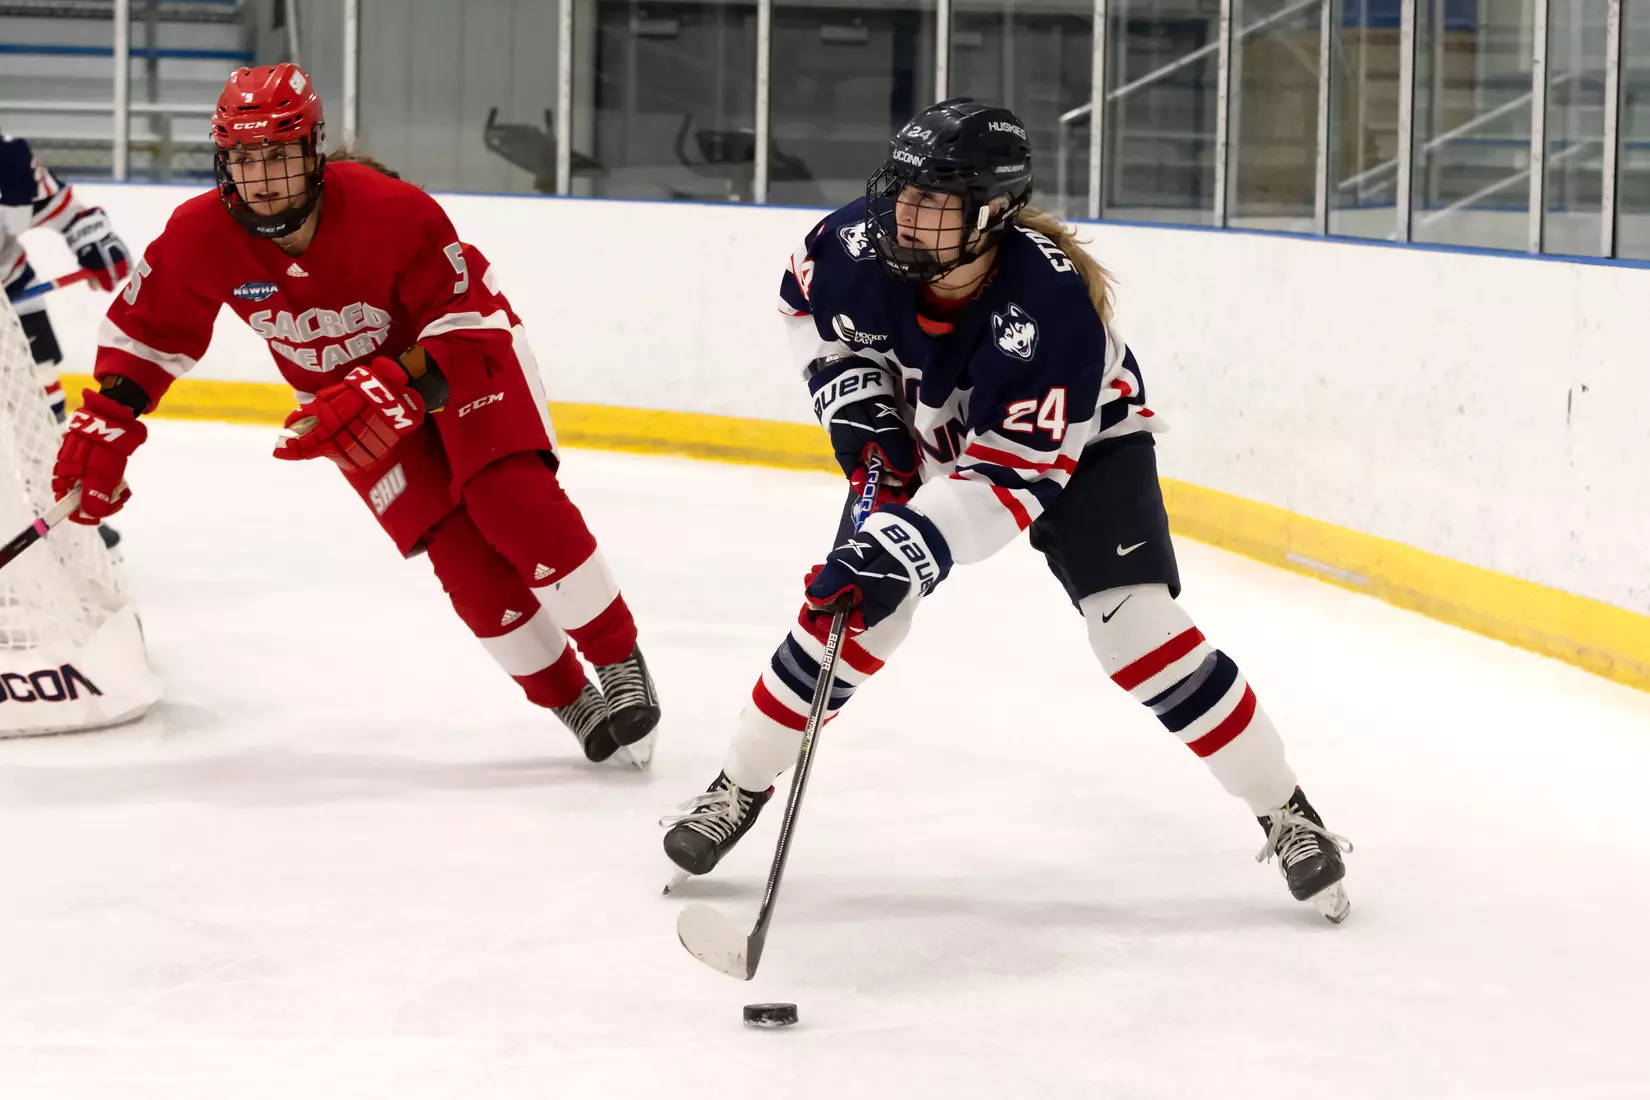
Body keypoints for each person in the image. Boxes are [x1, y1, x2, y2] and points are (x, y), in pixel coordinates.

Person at [662, 98, 1352, 920]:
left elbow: (1008, 482)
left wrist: (904, 544)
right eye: (903, 190)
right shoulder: (848, 247)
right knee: (850, 612)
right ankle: (736, 786)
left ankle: (1286, 810)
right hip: (927, 434)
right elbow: (811, 315)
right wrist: (862, 418)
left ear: (992, 213)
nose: (905, 213)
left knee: (1137, 632)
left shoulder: (1053, 312)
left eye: (934, 200)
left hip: (1080, 446)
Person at [48, 64, 660, 766]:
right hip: (346, 407)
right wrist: (106, 421)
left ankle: (617, 660)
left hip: (456, 365)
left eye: (278, 155)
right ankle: (572, 702)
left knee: (505, 496)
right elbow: (147, 332)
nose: (262, 178)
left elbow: (467, 324)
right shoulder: (198, 234)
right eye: (245, 158)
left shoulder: (393, 211)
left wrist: (394, 379)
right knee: (459, 555)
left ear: (312, 151)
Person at [2, 128, 132, 548]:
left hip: (10, 293)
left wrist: (96, 243)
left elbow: (68, 211)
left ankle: (60, 516)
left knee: (43, 406)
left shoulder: (9, 160)